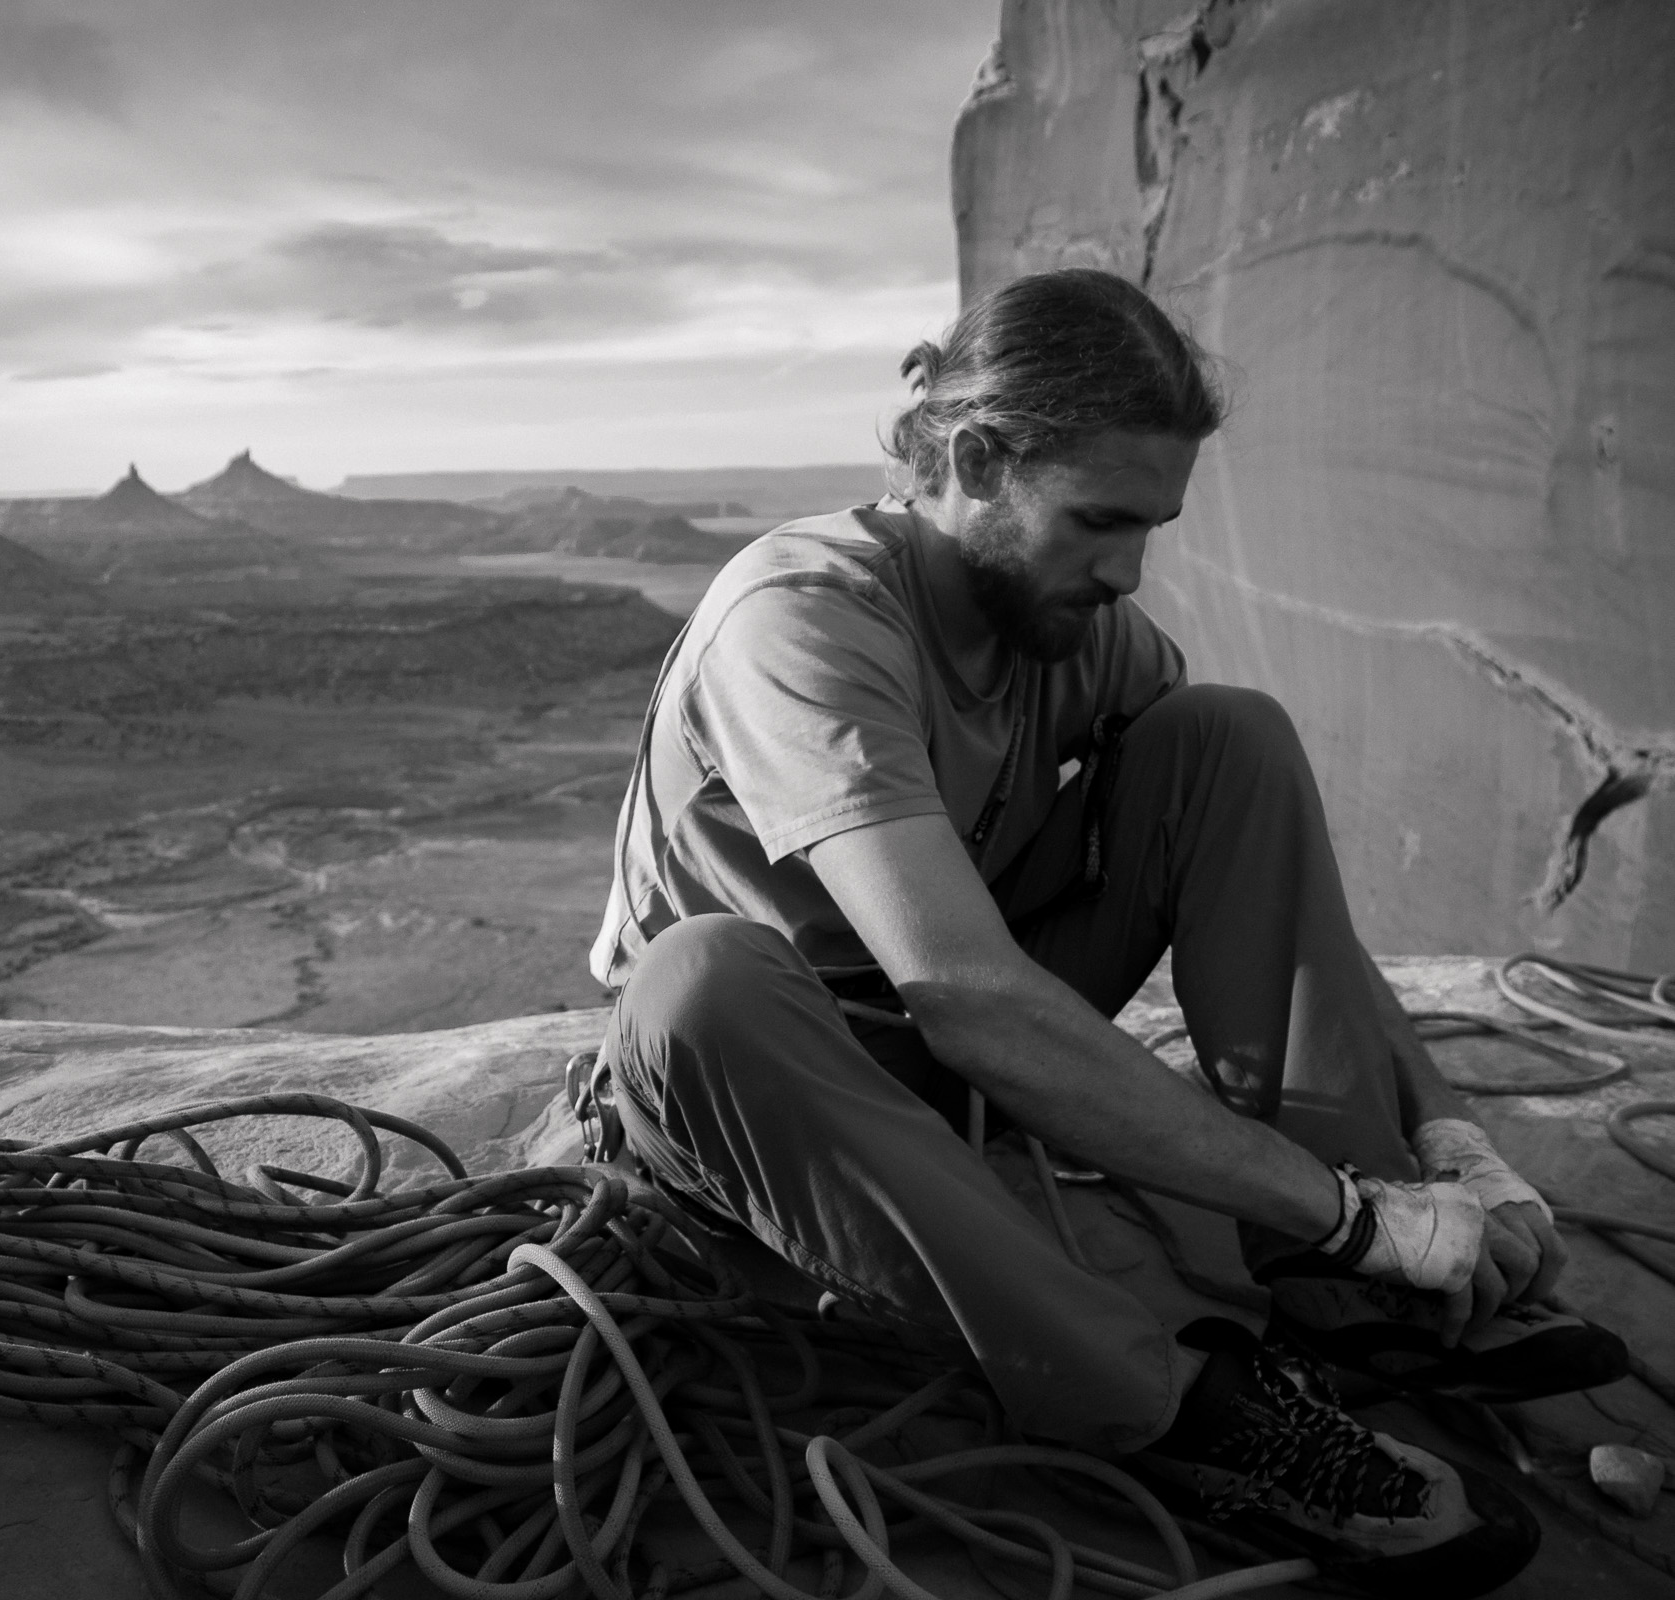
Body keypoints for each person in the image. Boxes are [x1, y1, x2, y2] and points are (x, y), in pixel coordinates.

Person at [586, 269, 1626, 1592]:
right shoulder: (805, 618)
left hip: (942, 1056)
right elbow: (965, 994)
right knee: (701, 981)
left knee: (1228, 739)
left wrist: (1448, 1151)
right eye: (1099, 521)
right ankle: (1177, 1406)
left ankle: (1348, 1286)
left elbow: (1273, 876)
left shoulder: (1072, 623)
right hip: (774, 1082)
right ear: (974, 458)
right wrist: (1348, 1213)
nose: (1129, 570)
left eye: (1154, 526)